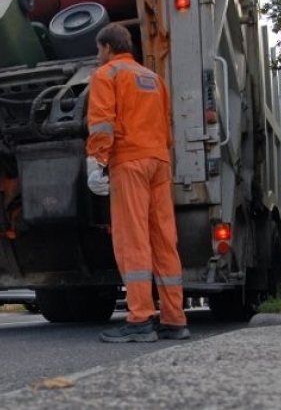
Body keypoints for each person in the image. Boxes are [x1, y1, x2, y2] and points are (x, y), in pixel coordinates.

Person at [86, 23, 190, 343]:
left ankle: (140, 319)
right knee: (163, 240)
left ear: (107, 47)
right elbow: (168, 129)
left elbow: (103, 123)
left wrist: (96, 162)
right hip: (159, 162)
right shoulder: (155, 80)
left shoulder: (107, 75)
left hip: (129, 163)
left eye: (98, 49)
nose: (98, 55)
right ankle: (174, 319)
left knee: (133, 240)